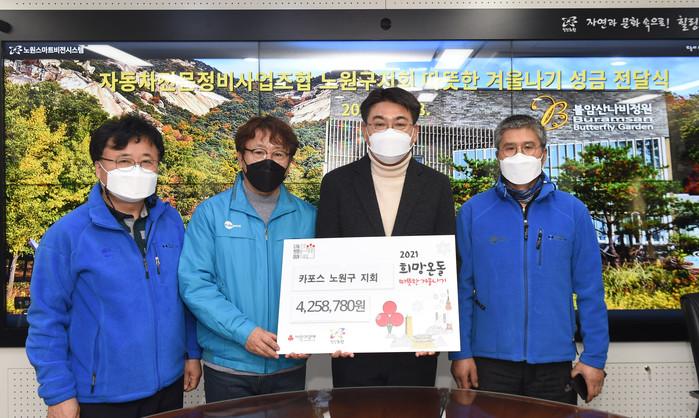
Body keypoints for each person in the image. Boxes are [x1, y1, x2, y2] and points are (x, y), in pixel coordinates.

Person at [26, 114, 201, 418]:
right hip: (101, 395)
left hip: (169, 387)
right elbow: (46, 319)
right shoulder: (68, 235)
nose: (136, 170)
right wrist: (58, 393)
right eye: (123, 161)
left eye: (146, 161)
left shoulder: (171, 221)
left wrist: (191, 353)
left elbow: (184, 294)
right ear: (100, 168)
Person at [449, 114, 609, 404]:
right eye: (509, 148)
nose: (519, 155)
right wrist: (460, 353)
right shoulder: (473, 212)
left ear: (543, 154)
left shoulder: (573, 211)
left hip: (554, 363)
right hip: (490, 362)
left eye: (528, 147)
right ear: (498, 155)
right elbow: (461, 289)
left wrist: (594, 357)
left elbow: (591, 291)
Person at [316, 87, 455, 387]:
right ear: (365, 131)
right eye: (379, 123)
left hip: (417, 343)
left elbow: (448, 260)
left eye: (400, 123)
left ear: (414, 132)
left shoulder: (437, 185)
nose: (389, 131)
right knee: (353, 409)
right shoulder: (336, 183)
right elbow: (326, 258)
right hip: (353, 344)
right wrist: (332, 329)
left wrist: (436, 326)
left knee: (415, 408)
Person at [178, 115, 316, 402]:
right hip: (229, 366)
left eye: (279, 154)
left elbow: (323, 284)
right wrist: (245, 333)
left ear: (289, 162)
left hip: (289, 365)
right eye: (258, 152)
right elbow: (196, 285)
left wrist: (311, 335)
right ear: (241, 158)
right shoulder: (211, 214)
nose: (269, 161)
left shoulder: (309, 217)